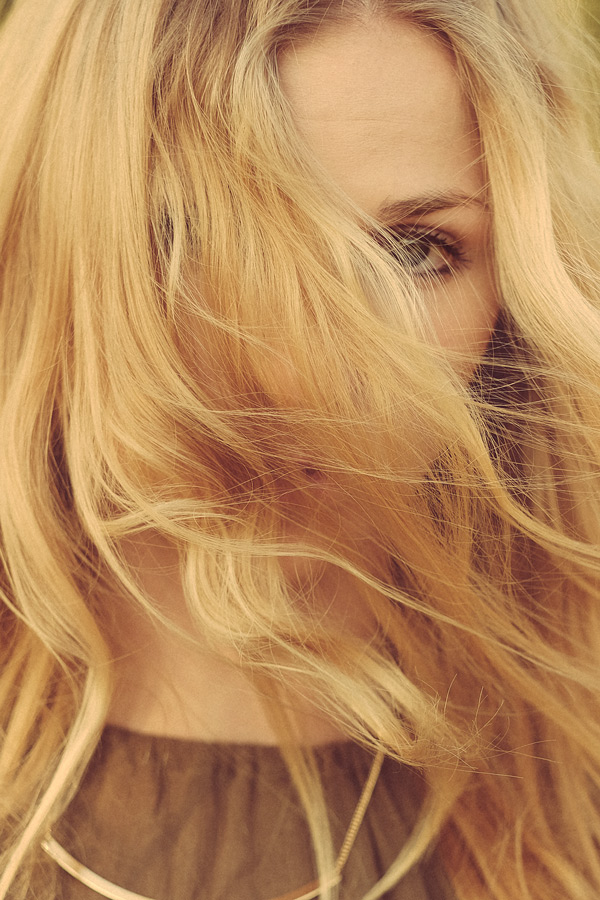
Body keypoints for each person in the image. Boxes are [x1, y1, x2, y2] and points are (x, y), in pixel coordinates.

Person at [1, 0, 599, 897]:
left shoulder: (572, 779)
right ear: (53, 252)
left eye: (413, 252)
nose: (306, 380)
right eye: (191, 239)